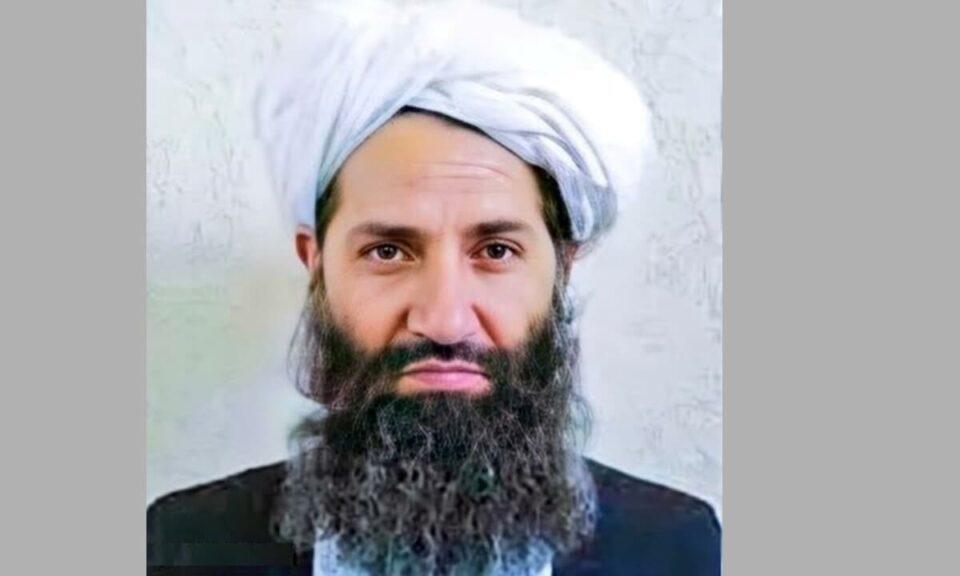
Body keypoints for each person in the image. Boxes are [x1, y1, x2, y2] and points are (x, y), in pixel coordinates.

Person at [147, 2, 721, 574]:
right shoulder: (183, 545)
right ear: (316, 265)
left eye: (496, 251)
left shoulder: (675, 549)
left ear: (562, 269)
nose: (445, 322)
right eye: (388, 252)